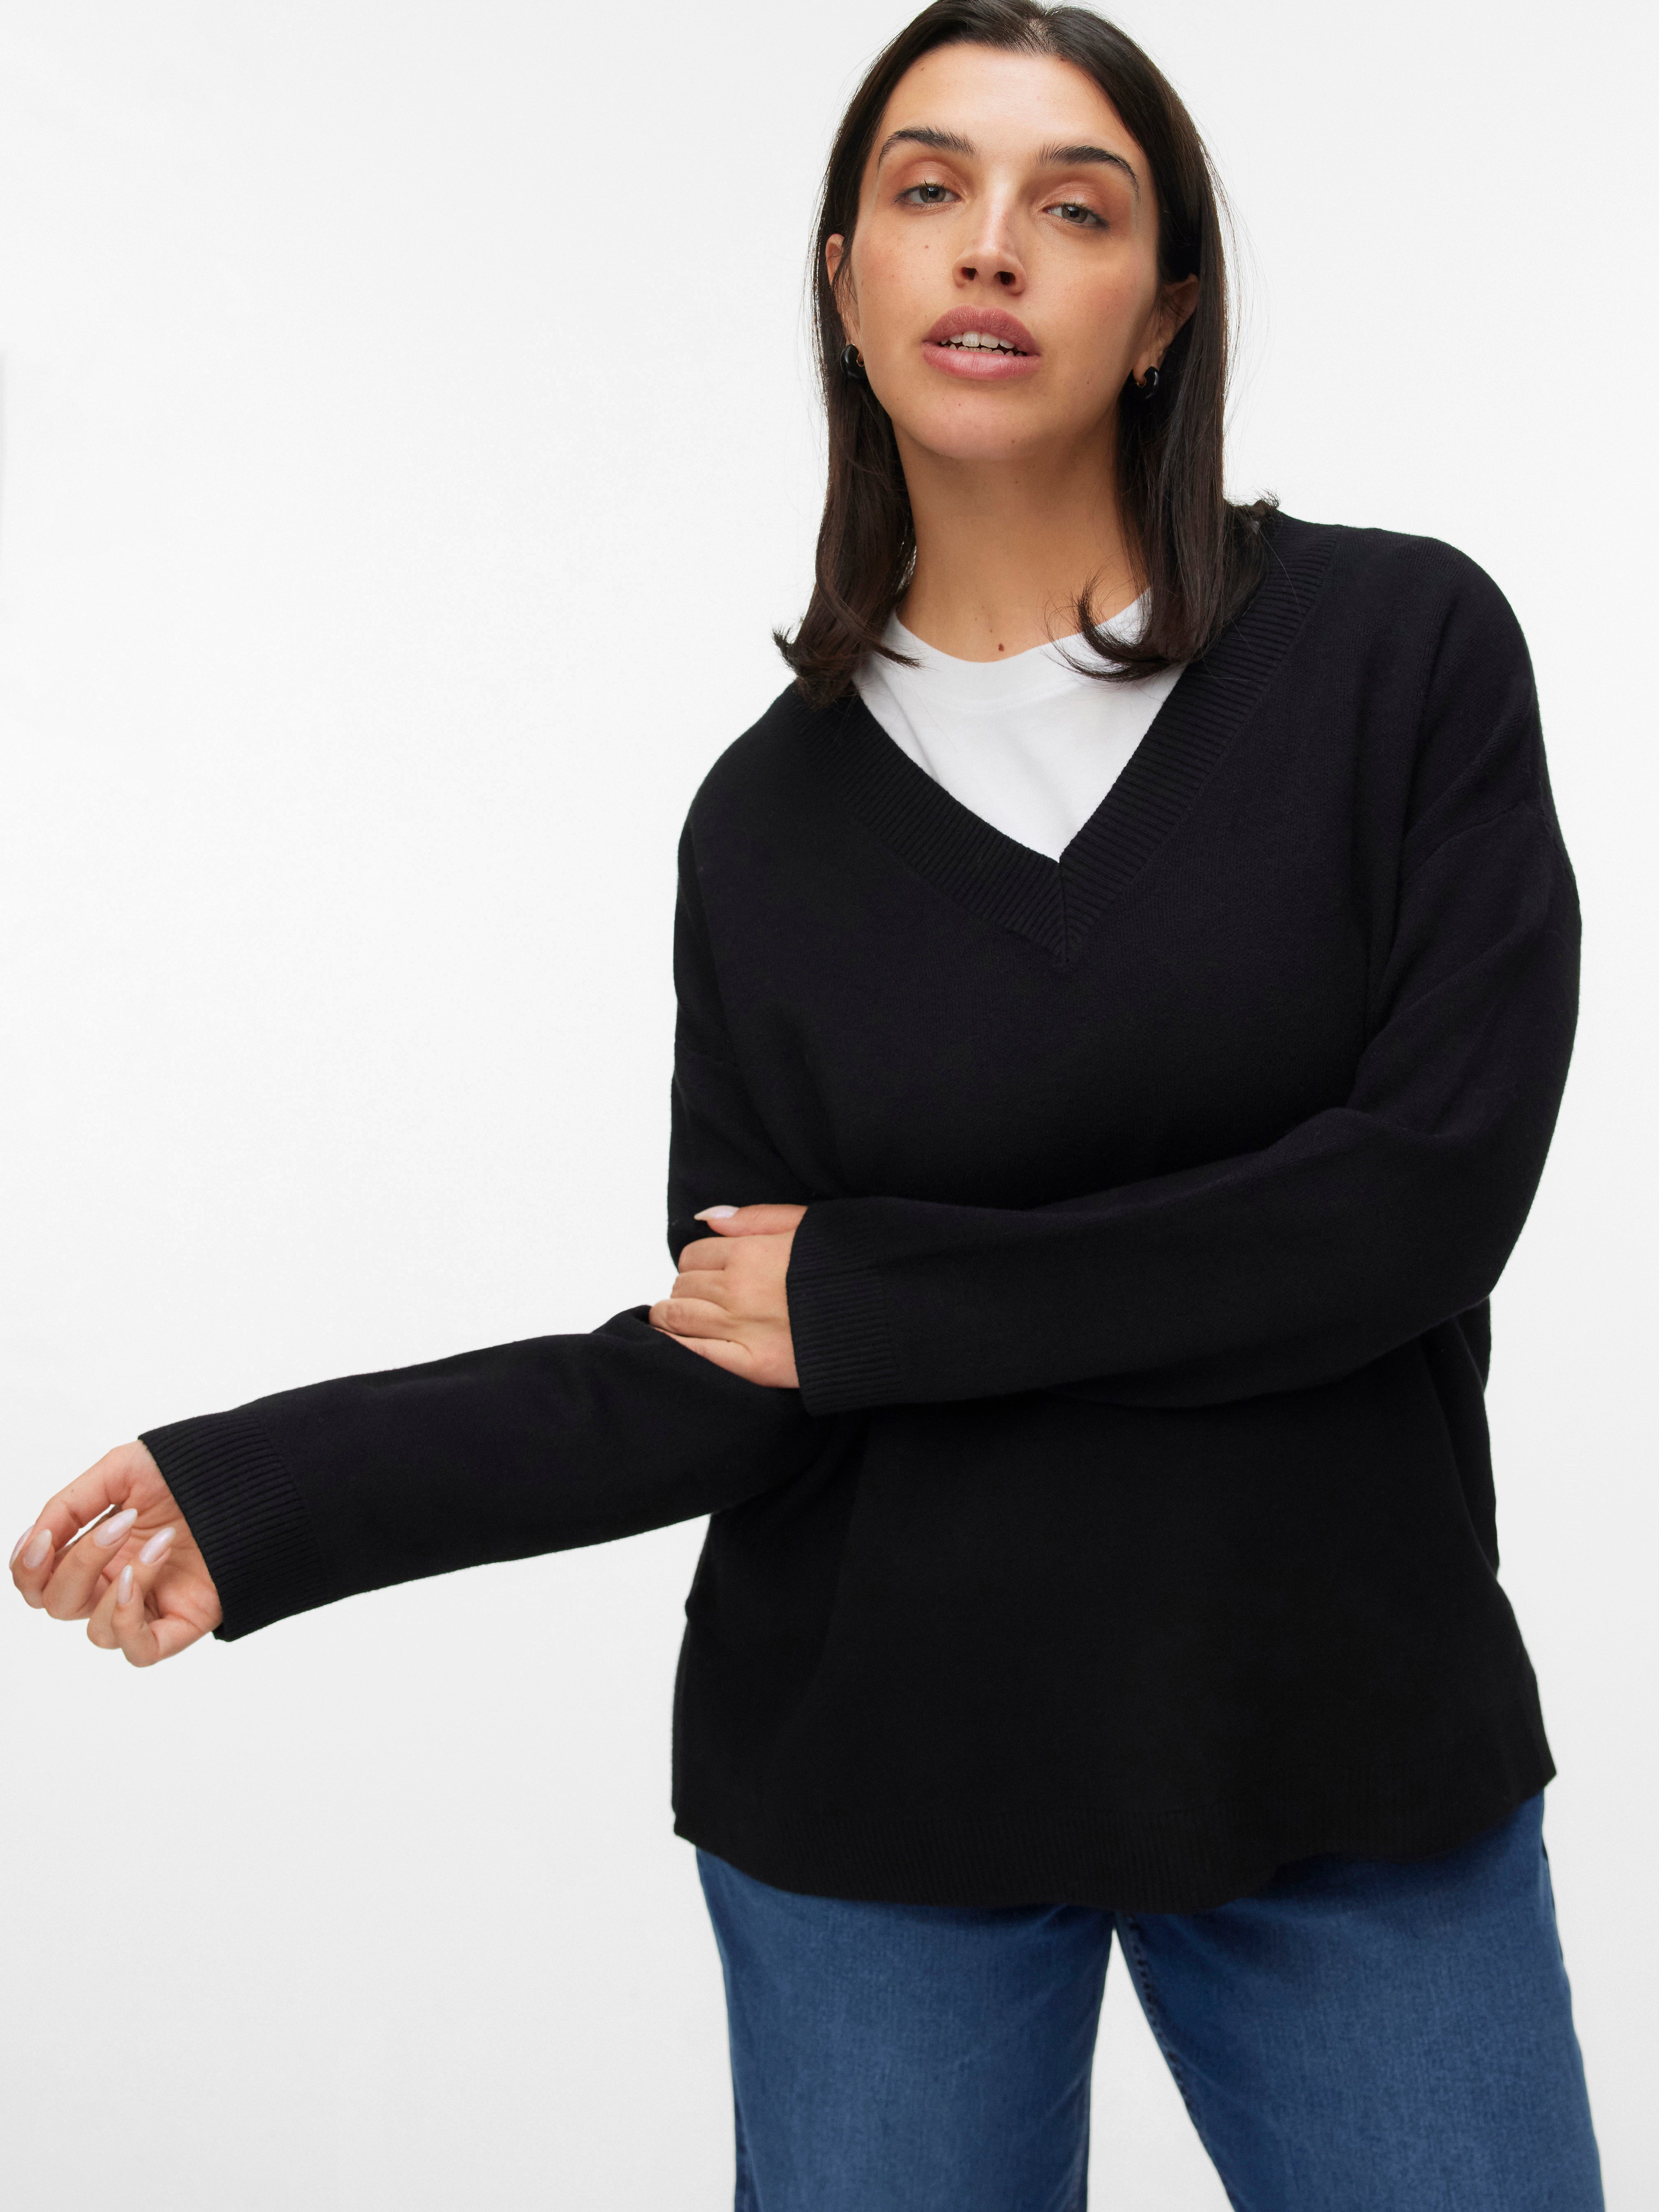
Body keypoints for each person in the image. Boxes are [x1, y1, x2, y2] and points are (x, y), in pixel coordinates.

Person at [10, 4, 1603, 2206]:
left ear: (1164, 312)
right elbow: (732, 1364)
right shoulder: (766, 829)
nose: (993, 247)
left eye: (1074, 207)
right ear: (847, 278)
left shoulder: (1396, 654)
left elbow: (1412, 1207)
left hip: (1342, 1737)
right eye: (930, 191)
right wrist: (278, 1491)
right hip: (876, 1780)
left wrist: (884, 1300)